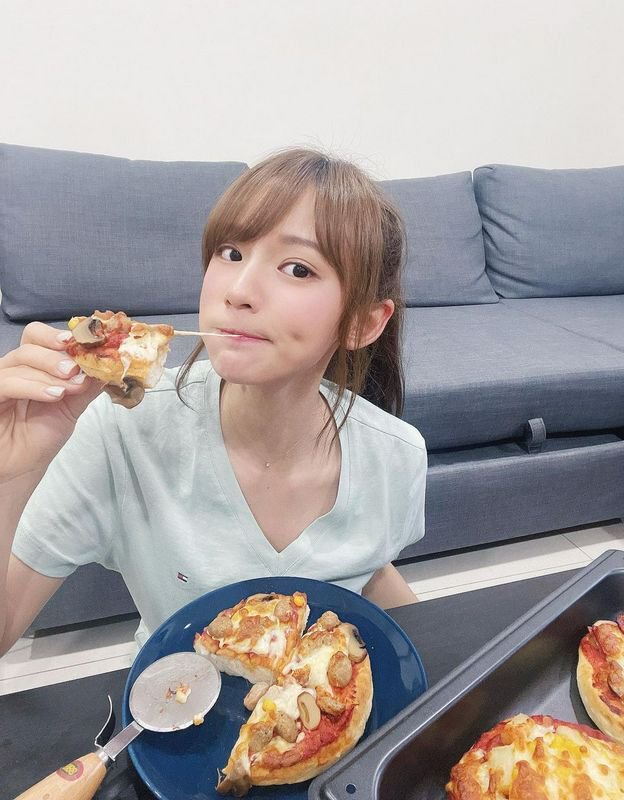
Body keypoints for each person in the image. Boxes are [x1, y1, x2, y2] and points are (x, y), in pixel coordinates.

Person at [0, 148, 427, 655]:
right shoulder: (120, 429)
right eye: (230, 253)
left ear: (363, 322)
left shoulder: (397, 456)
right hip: (171, 697)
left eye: (296, 268)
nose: (238, 290)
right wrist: (12, 475)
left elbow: (365, 566)